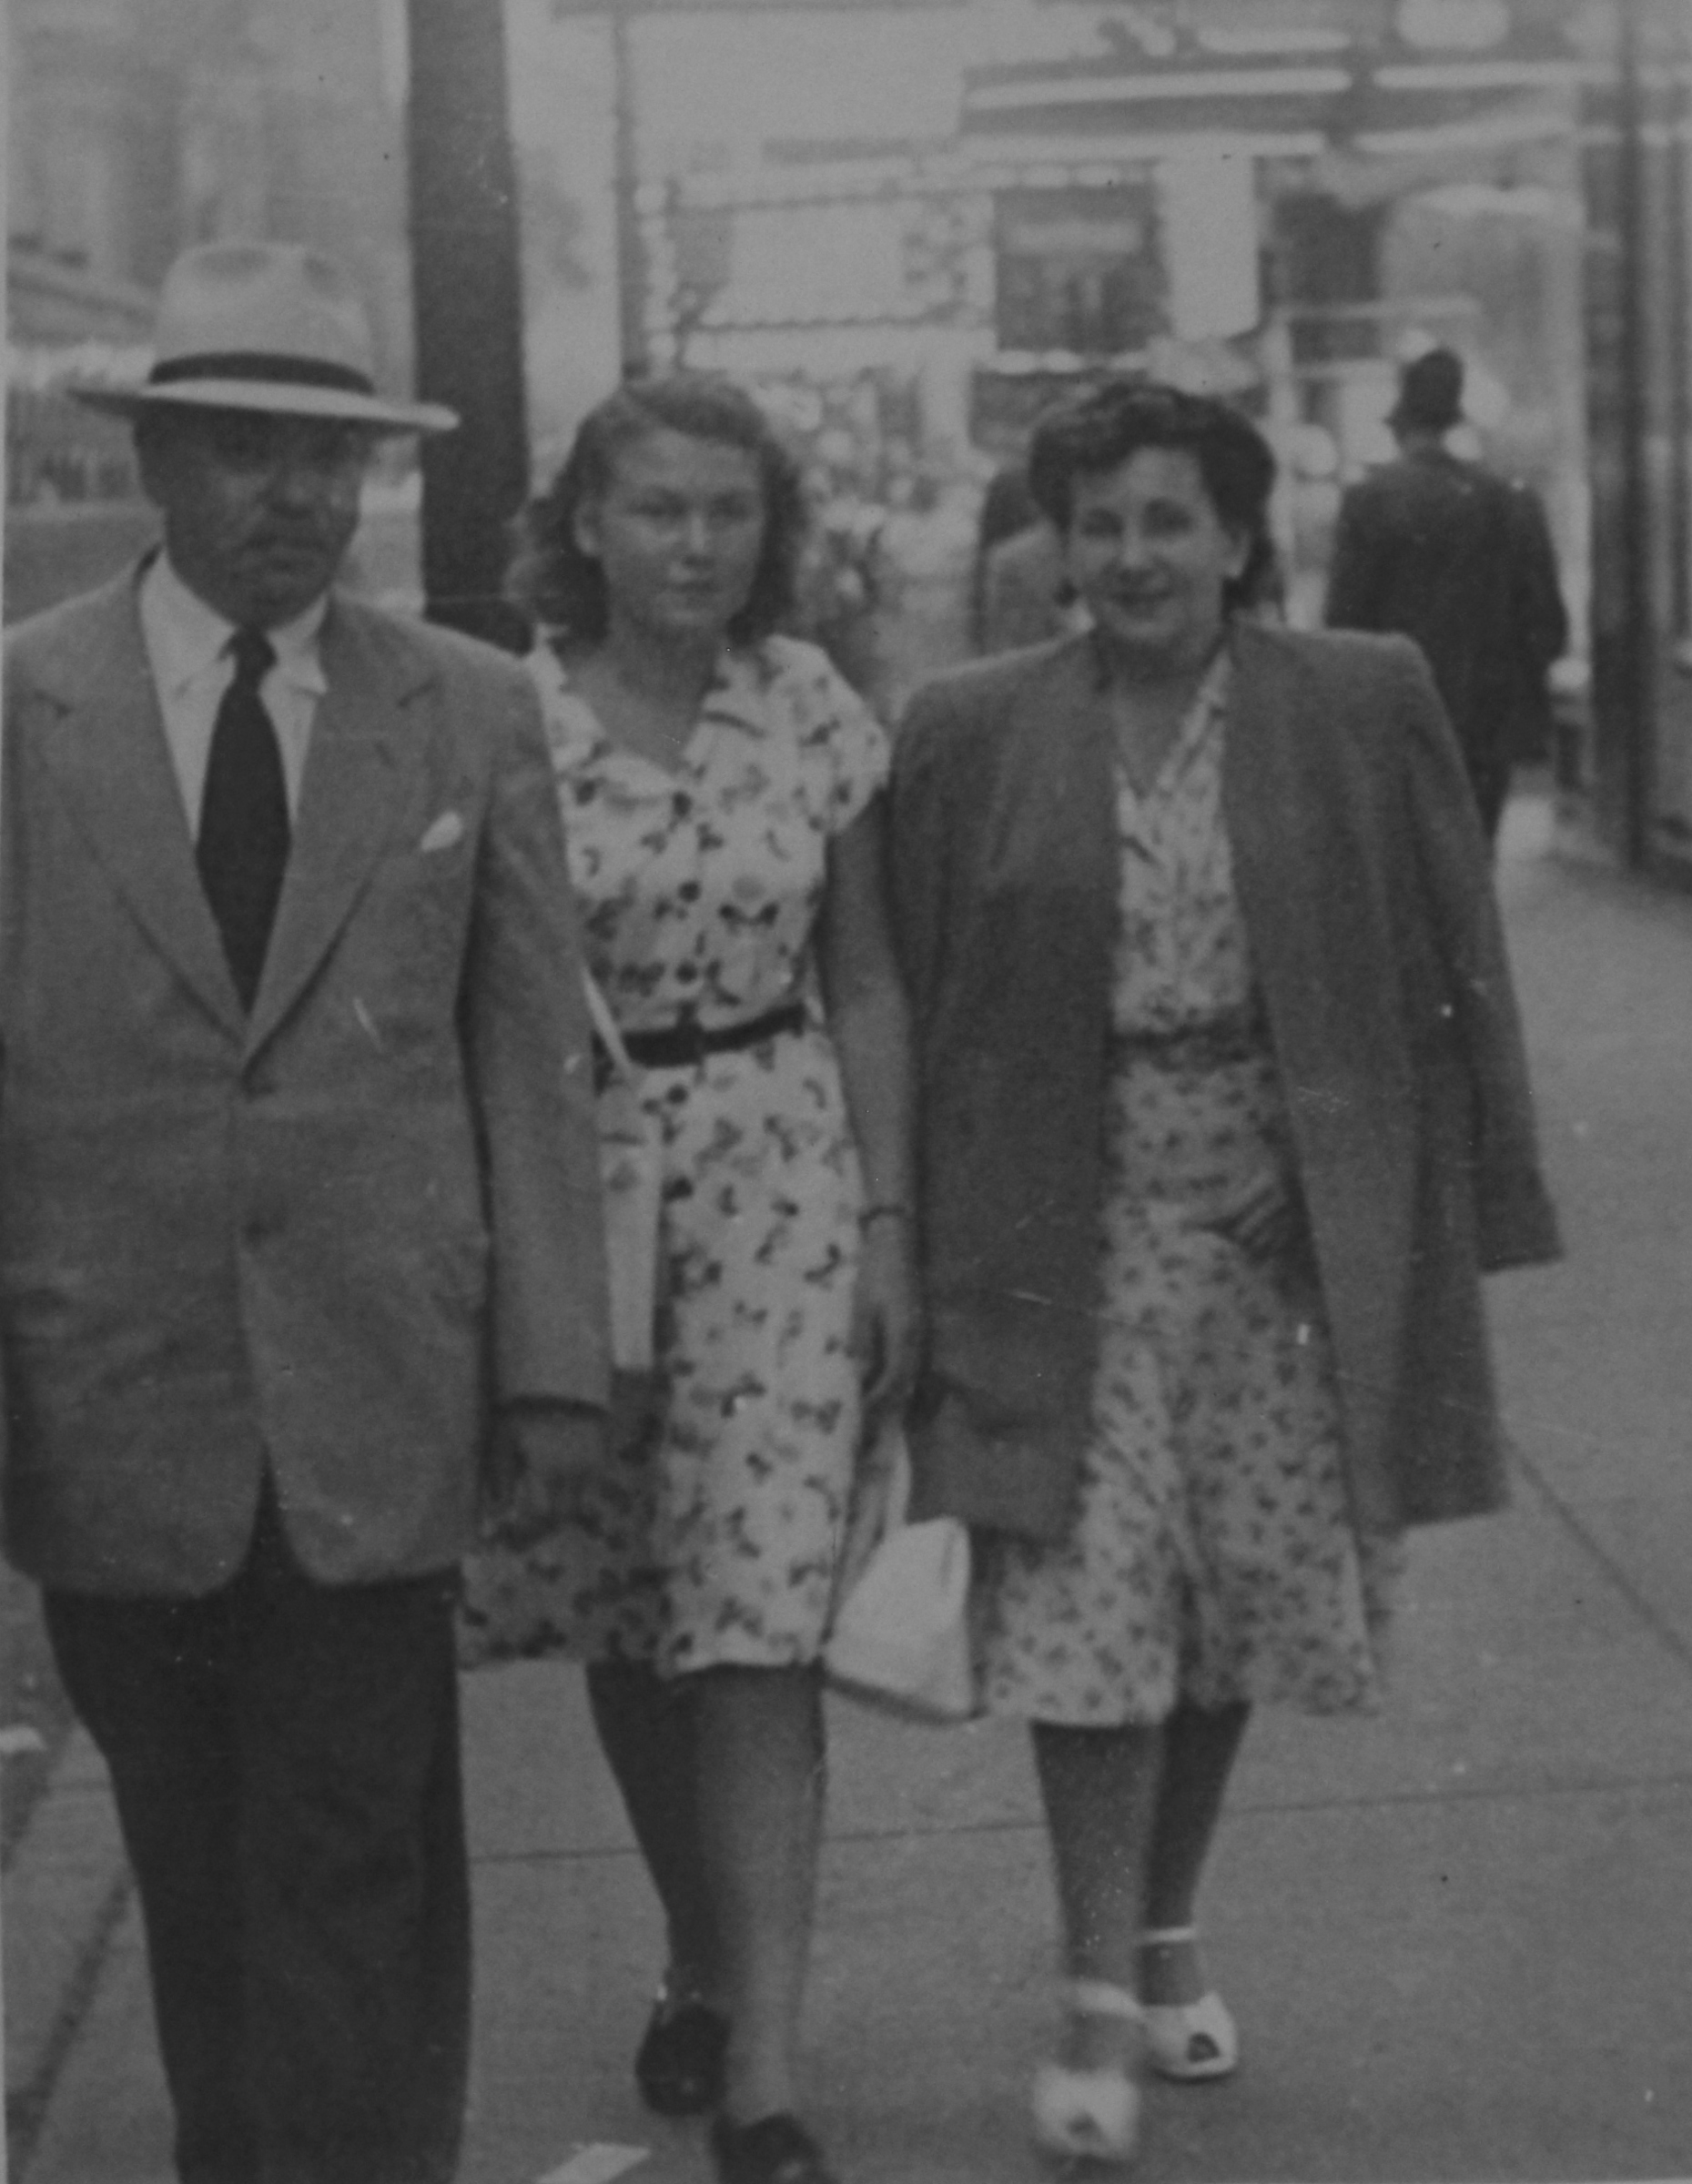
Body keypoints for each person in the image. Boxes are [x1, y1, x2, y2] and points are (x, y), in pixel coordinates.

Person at [889, 379, 1560, 2167]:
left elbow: (1446, 961)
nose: (1129, 556)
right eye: (1097, 523)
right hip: (1061, 1231)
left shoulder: (1356, 697)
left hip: (1277, 1238)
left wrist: (1377, 1170)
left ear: (1237, 535)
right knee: (1085, 1604)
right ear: (1058, 543)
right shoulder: (969, 726)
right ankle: (1092, 1998)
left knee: (1223, 1609)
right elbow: (920, 992)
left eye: (1164, 520)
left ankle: (1157, 1923)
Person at [0, 241, 610, 2184]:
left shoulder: (465, 709)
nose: (299, 498)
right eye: (251, 452)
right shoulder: (24, 708)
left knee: (348, 1854)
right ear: (157, 461)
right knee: (193, 1861)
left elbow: (530, 1059)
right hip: (113, 1398)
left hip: (378, 1387)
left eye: (332, 459)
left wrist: (553, 1370)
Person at [503, 373, 920, 2184]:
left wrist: (891, 1227)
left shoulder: (807, 702)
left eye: (727, 511)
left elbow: (871, 981)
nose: (694, 544)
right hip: (584, 1196)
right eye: (658, 509)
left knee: (756, 1629)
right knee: (630, 1616)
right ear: (586, 525)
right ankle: (693, 1950)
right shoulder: (506, 718)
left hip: (779, 1179)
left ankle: (762, 2071)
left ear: (771, 531)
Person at [1324, 347, 1569, 843]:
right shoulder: (1513, 503)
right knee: (1474, 859)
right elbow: (1548, 624)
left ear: (1400, 426)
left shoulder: (1369, 502)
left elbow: (1342, 629)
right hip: (1487, 728)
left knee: (1406, 865)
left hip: (1396, 725)